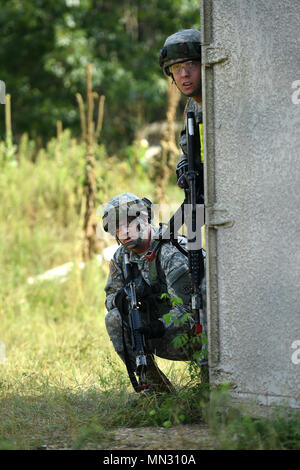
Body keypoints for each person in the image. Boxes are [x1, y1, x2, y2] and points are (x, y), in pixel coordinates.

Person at [102, 193, 205, 393]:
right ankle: (158, 395)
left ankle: (209, 388)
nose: (124, 231)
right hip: (162, 336)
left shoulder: (170, 250)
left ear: (145, 218)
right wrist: (119, 300)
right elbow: (109, 299)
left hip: (198, 336)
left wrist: (155, 327)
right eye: (117, 226)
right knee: (113, 319)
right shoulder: (122, 257)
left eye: (129, 222)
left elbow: (189, 309)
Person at [159, 28, 204, 199]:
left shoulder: (219, 103)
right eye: (177, 67)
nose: (184, 74)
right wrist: (184, 162)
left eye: (191, 64)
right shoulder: (192, 105)